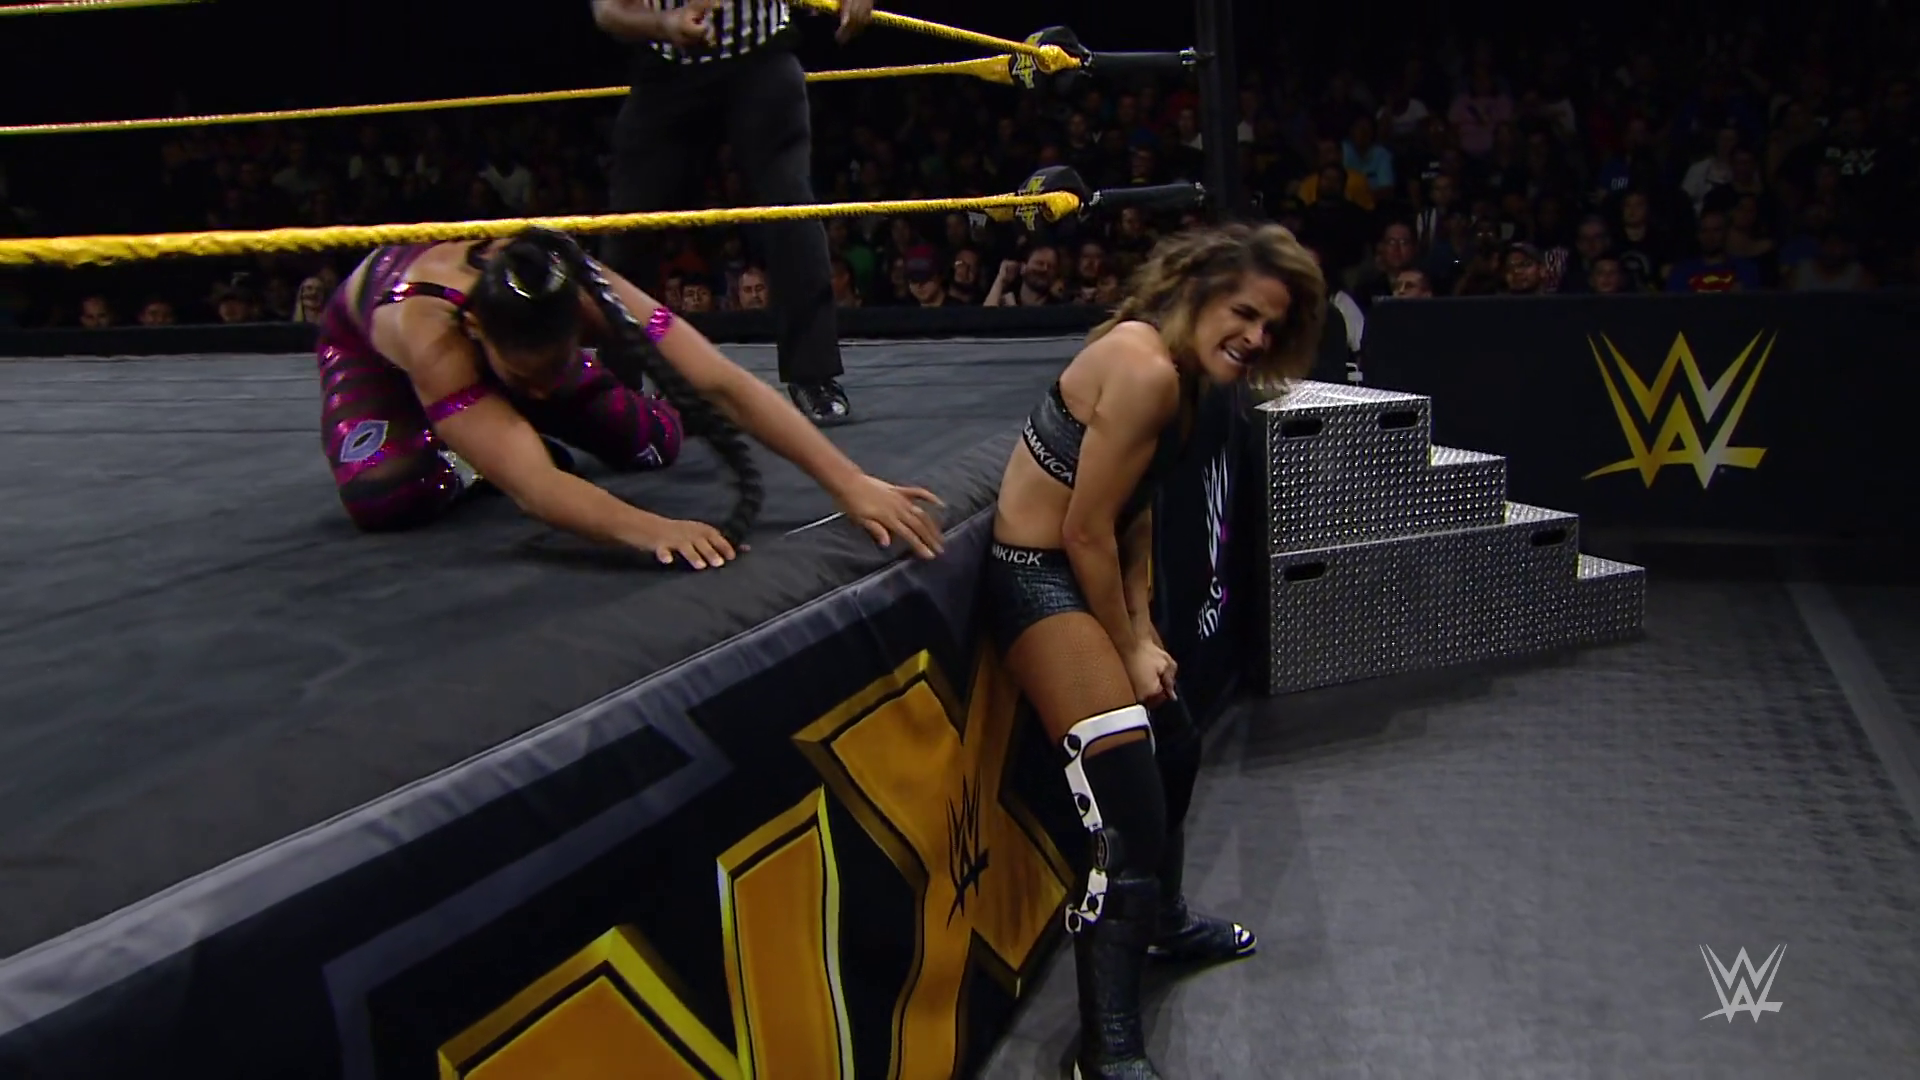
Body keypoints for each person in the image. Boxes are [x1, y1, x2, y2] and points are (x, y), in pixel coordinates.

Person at [985, 222, 1325, 1078]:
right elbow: (1084, 530)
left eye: (1271, 326)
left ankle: (1164, 921)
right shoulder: (1144, 369)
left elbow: (1134, 510)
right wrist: (1127, 646)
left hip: (1084, 563)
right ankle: (1106, 1051)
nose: (1256, 338)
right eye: (1244, 313)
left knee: (1174, 740)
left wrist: (1140, 631)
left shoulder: (1191, 378)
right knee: (1130, 812)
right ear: (1198, 291)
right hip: (1036, 573)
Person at [314, 227, 942, 568]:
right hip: (373, 356)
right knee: (386, 494)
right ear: (477, 334)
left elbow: (720, 381)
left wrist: (848, 481)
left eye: (556, 365)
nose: (539, 390)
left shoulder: (586, 286)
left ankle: (514, 418)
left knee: (653, 444)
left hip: (518, 349)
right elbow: (536, 489)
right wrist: (650, 529)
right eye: (525, 379)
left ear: (579, 327)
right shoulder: (428, 332)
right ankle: (470, 457)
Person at [591, 0, 869, 426]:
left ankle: (814, 375)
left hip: (761, 57)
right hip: (667, 67)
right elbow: (609, 10)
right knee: (629, 229)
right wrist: (663, 24)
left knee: (791, 211)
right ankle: (615, 386)